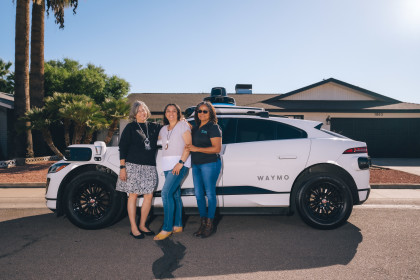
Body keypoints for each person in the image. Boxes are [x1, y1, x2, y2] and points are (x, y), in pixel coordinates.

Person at [116, 100, 161, 239]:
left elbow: (171, 129)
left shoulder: (154, 127)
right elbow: (122, 148)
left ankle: (142, 225)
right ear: (134, 114)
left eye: (144, 110)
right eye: (139, 111)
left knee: (148, 195)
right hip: (132, 165)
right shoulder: (130, 127)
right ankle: (133, 227)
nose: (142, 113)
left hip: (149, 166)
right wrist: (122, 168)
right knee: (133, 195)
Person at [153, 104, 192, 240]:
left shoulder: (183, 125)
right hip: (167, 165)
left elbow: (188, 146)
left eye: (174, 111)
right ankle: (178, 225)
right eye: (168, 111)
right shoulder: (163, 129)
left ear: (178, 113)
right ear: (165, 114)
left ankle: (167, 228)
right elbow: (155, 138)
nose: (171, 113)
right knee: (174, 195)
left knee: (165, 193)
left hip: (180, 164)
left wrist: (180, 163)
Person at [186, 101, 222, 238]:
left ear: (210, 113)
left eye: (205, 111)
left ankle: (209, 225)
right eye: (199, 111)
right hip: (197, 164)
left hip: (210, 163)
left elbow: (217, 149)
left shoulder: (213, 127)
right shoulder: (195, 128)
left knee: (210, 193)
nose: (201, 113)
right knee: (198, 194)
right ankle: (202, 223)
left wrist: (197, 149)